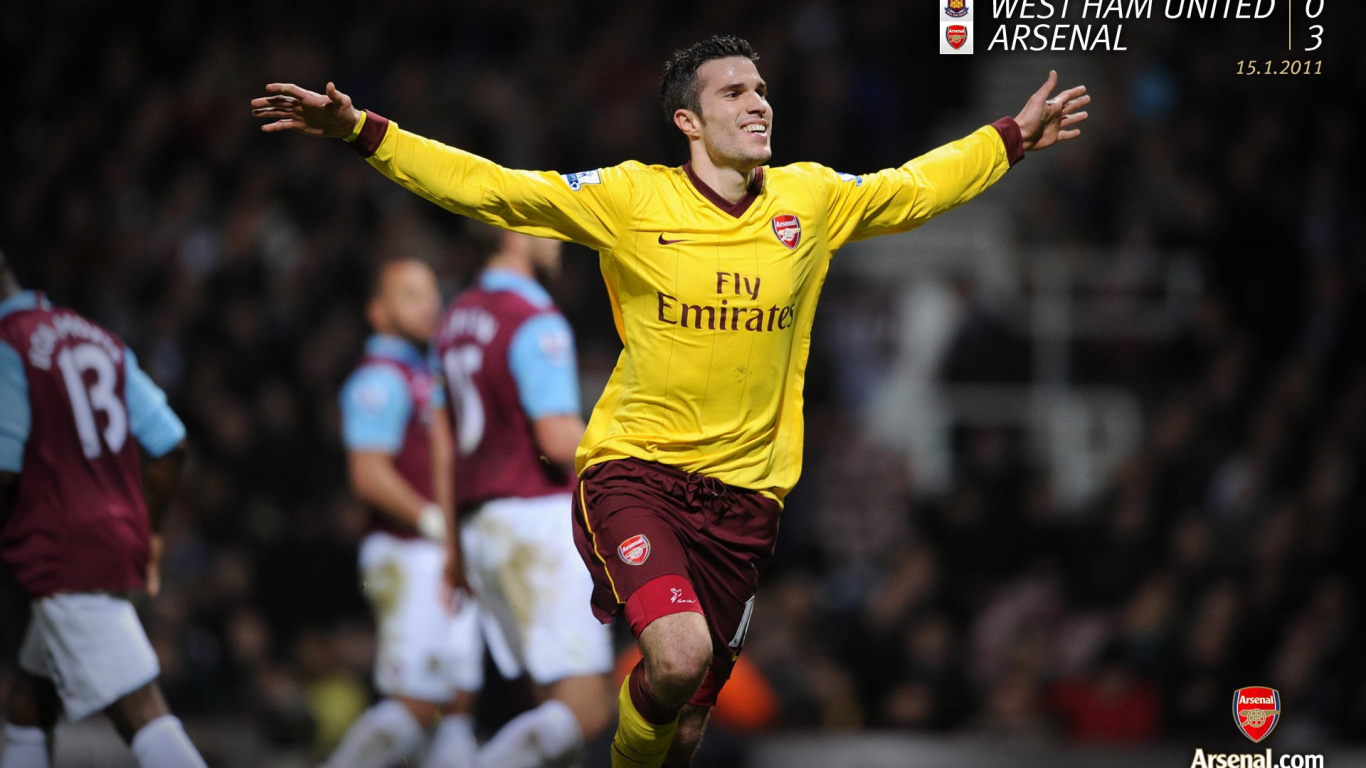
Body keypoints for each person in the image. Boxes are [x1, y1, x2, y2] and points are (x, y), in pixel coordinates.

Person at [251, 34, 1090, 767]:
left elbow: (916, 186)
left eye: (761, 89)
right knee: (679, 655)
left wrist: (1012, 137)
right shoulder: (630, 198)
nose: (758, 103)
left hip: (747, 499)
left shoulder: (811, 200)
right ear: (688, 120)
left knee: (684, 725)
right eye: (734, 92)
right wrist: (364, 131)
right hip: (637, 472)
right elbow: (492, 189)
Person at [0, 249, 206, 768]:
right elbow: (171, 443)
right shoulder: (95, 336)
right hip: (115, 536)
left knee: (141, 710)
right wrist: (151, 535)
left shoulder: (8, 344)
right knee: (30, 701)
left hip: (61, 550)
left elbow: (4, 467)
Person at [435, 226, 614, 768]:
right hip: (537, 522)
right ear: (514, 234)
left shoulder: (455, 319)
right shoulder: (534, 318)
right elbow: (556, 437)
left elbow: (444, 444)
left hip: (481, 525)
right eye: (545, 223)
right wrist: (633, 467)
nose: (559, 237)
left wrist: (453, 546)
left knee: (550, 711)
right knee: (586, 710)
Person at [328, 258, 479, 768]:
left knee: (457, 702)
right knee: (416, 704)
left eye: (432, 293)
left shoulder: (420, 371)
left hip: (438, 553)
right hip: (407, 550)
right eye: (411, 295)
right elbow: (368, 473)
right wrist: (435, 521)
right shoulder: (379, 378)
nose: (429, 305)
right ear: (377, 311)